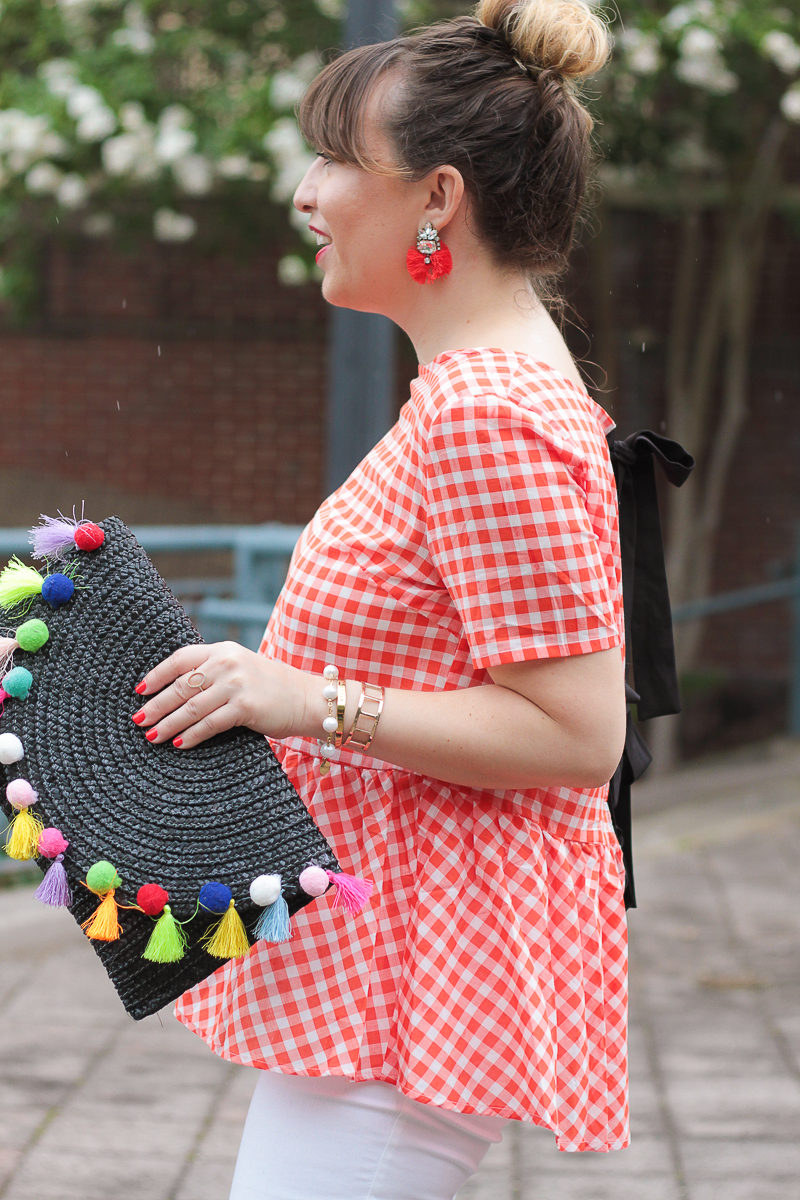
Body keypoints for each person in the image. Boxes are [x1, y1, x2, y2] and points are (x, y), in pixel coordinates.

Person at [132, 1, 629, 1195]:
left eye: (337, 159)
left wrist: (305, 700)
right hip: (385, 974)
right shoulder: (483, 385)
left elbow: (576, 732)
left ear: (436, 199)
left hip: (408, 987)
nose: (306, 191)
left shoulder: (482, 414)